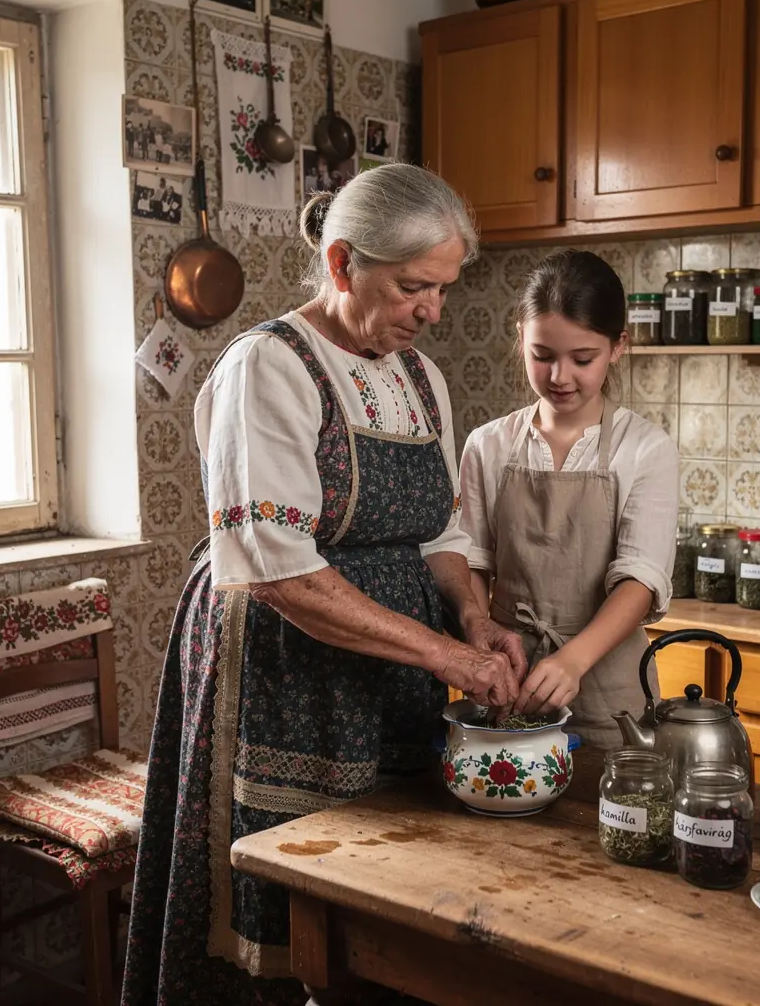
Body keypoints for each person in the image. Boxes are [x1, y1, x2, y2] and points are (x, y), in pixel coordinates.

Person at [122, 163, 526, 1006]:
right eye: (413, 287)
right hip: (287, 670)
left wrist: (472, 615)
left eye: (444, 289)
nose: (432, 310)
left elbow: (439, 531)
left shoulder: (420, 377)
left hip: (396, 669)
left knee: (391, 899)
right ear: (342, 264)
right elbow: (279, 569)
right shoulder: (268, 366)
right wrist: (443, 654)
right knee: (289, 898)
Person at [459, 249, 679, 750]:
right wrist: (480, 647)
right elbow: (472, 562)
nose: (560, 377)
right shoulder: (488, 445)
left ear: (618, 346)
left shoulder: (645, 448)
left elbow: (641, 579)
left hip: (609, 692)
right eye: (542, 355)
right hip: (507, 683)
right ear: (520, 337)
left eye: (582, 359)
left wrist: (572, 661)